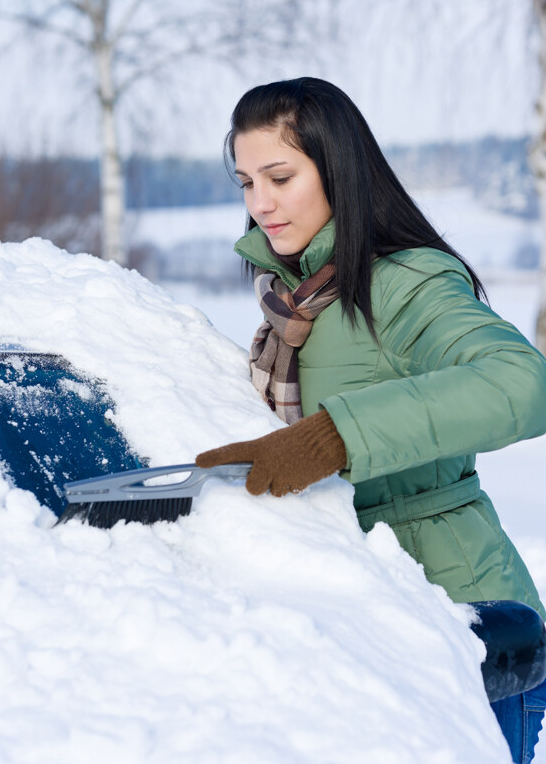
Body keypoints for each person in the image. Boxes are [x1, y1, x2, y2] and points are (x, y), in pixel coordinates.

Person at [195, 77, 546, 763]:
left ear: (338, 170)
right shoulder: (292, 307)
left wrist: (334, 437)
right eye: (244, 182)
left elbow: (522, 381)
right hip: (372, 628)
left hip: (470, 631)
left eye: (280, 176)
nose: (259, 203)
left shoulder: (404, 281)